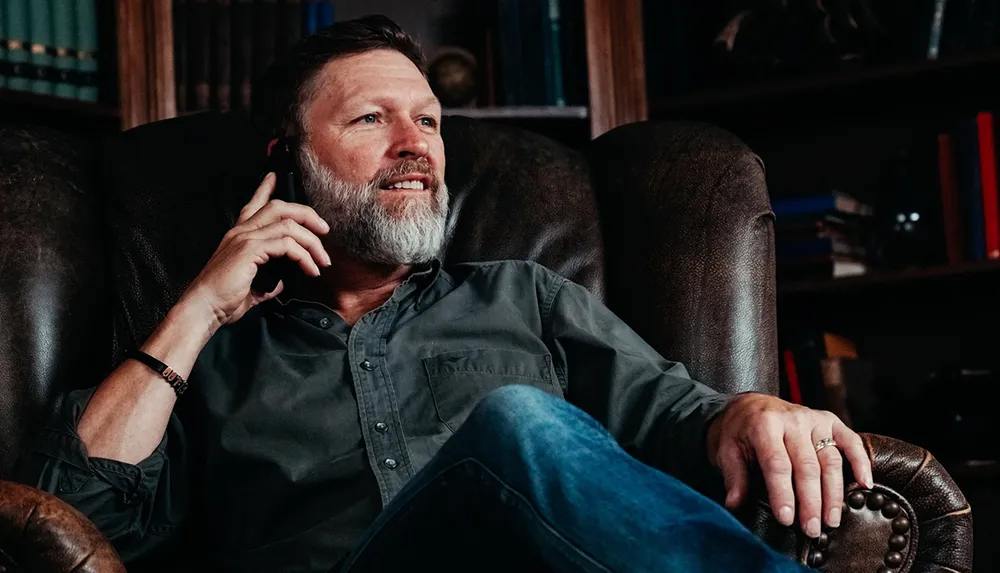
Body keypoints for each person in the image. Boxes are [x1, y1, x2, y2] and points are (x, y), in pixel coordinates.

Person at [16, 15, 871, 573]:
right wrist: (199, 307)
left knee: (527, 425)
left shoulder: (524, 297)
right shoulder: (215, 360)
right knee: (518, 420)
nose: (414, 144)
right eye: (370, 120)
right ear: (286, 163)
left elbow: (678, 415)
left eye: (426, 120)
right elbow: (70, 520)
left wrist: (751, 409)